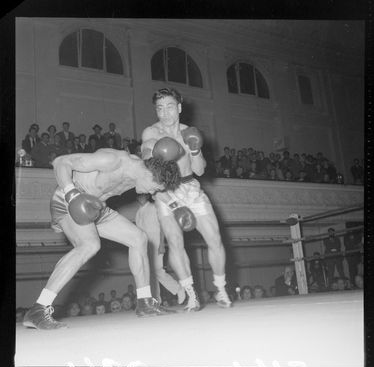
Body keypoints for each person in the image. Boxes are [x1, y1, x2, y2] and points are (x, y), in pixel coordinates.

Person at [23, 148, 181, 330]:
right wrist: (72, 195)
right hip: (70, 199)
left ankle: (145, 302)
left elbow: (157, 189)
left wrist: (176, 206)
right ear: (149, 173)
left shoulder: (142, 176)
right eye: (154, 187)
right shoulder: (113, 160)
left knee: (139, 238)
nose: (152, 193)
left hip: (96, 207)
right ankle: (39, 309)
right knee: (89, 245)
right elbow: (60, 162)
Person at [141, 87, 232, 311]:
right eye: (160, 108)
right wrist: (171, 202)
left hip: (191, 187)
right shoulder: (151, 133)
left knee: (214, 238)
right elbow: (148, 163)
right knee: (175, 242)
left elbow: (200, 170)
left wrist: (193, 150)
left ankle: (221, 288)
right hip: (165, 191)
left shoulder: (189, 132)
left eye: (170, 107)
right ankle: (191, 293)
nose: (165, 113)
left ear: (179, 108)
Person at [135, 193, 186, 304]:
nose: (141, 198)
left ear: (147, 196)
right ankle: (157, 300)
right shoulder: (138, 212)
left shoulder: (154, 207)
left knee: (158, 271)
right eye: (139, 196)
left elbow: (163, 225)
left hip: (156, 243)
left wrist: (162, 243)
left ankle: (178, 289)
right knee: (150, 273)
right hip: (145, 246)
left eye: (143, 195)